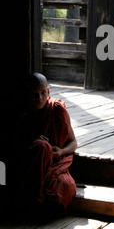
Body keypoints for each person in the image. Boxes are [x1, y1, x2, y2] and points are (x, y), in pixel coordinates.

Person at [17, 73, 77, 216]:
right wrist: (32, 142)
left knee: (63, 190)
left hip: (56, 163)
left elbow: (73, 142)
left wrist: (61, 152)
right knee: (41, 146)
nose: (39, 98)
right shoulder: (21, 117)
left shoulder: (57, 110)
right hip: (33, 167)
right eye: (34, 94)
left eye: (43, 93)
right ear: (26, 95)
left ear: (48, 92)